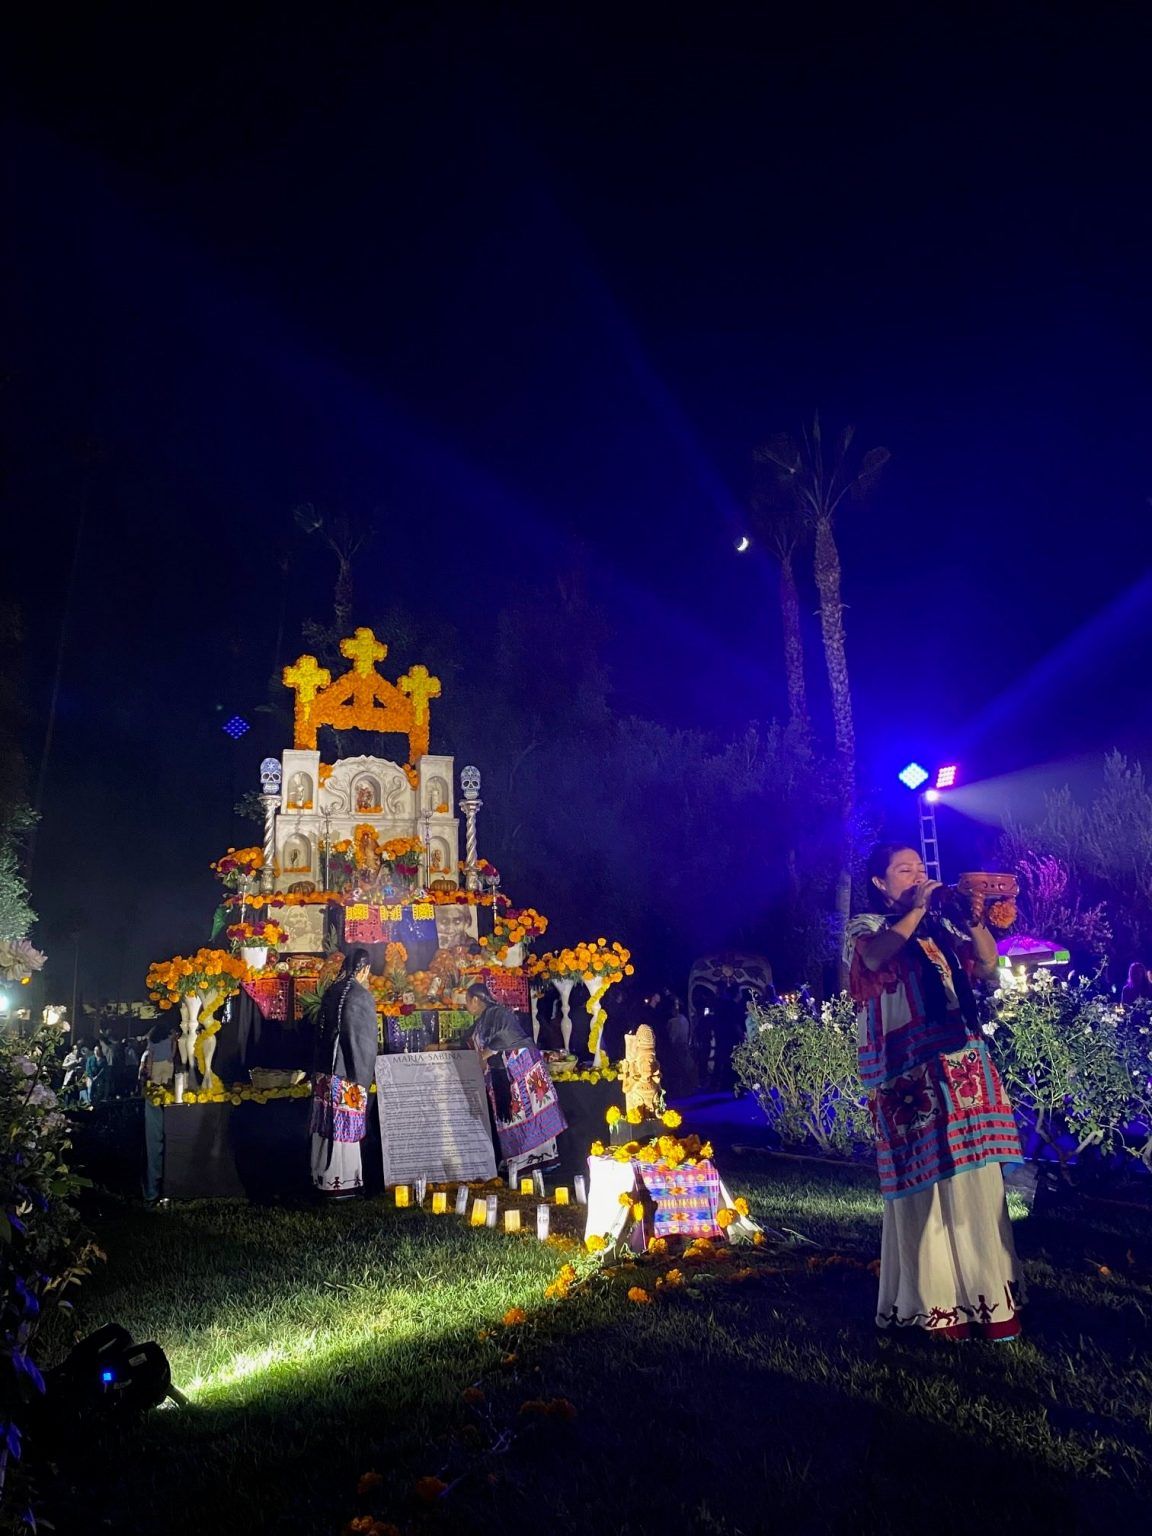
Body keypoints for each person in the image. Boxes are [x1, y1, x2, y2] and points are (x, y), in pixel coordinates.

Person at [845, 844, 1025, 1342]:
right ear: (880, 883)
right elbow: (876, 956)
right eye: (904, 870)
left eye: (921, 869)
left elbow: (986, 965)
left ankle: (991, 1304)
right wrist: (919, 909)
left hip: (960, 1062)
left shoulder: (941, 928)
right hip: (907, 1074)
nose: (917, 876)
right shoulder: (866, 925)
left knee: (974, 1179)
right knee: (922, 1185)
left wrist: (975, 920)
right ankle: (935, 1306)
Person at [464, 982, 567, 1181]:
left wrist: (485, 1054)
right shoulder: (484, 1018)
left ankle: (536, 1161)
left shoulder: (499, 1013)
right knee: (513, 1116)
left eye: (467, 1002)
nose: (466, 1006)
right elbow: (472, 1040)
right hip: (504, 1076)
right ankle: (518, 1160)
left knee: (529, 1113)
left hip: (521, 1070)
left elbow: (507, 1035)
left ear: (475, 1000)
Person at [310, 948, 379, 1199]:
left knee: (325, 1128)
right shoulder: (361, 996)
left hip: (325, 1073)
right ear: (365, 969)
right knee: (342, 1128)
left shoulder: (332, 991)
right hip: (347, 1073)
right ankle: (344, 1184)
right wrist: (365, 1075)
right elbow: (364, 1042)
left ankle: (321, 1178)